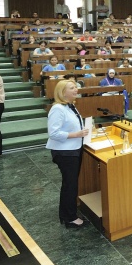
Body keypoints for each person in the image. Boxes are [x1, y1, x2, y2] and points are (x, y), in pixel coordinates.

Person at [46, 80, 89, 229]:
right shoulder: (58, 108)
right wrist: (76, 134)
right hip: (65, 152)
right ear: (63, 92)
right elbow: (54, 133)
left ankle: (67, 213)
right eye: (72, 88)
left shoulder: (70, 106)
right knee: (70, 185)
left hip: (73, 149)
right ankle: (70, 218)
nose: (76, 89)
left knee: (70, 184)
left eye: (76, 87)